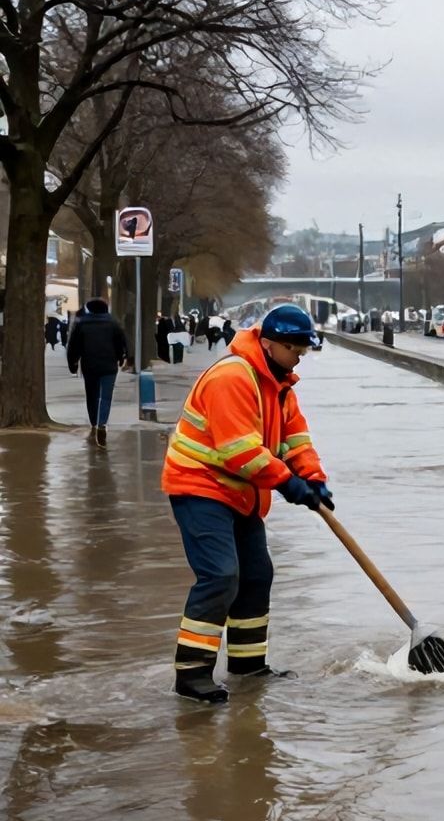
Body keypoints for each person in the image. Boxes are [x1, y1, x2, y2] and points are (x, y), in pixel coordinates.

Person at [162, 304, 330, 704]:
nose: (300, 357)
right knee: (221, 575)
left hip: (242, 492)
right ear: (271, 344)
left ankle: (248, 666)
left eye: (304, 351)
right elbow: (241, 452)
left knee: (256, 576)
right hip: (200, 486)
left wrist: (314, 479)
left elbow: (296, 439)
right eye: (295, 350)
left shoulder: (279, 385)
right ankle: (191, 674)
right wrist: (289, 484)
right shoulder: (232, 377)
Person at [66, 298, 130, 447]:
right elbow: (121, 342)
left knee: (92, 396)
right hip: (109, 366)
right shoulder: (113, 324)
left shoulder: (81, 324)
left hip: (89, 366)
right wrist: (121, 357)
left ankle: (94, 423)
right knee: (106, 397)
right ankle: (102, 424)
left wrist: (73, 363)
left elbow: (73, 346)